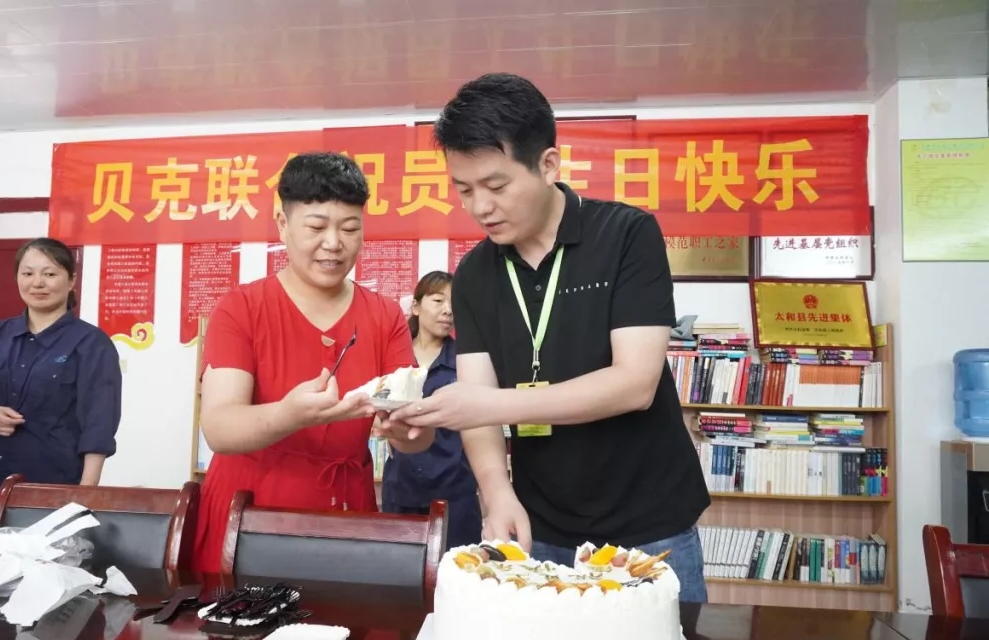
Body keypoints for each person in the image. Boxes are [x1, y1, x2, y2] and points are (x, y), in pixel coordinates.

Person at [387, 73, 711, 602]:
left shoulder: (626, 235)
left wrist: (492, 404)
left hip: (651, 526)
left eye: (496, 186)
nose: (480, 207)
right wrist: (496, 491)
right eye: (464, 190)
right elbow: (478, 406)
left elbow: (635, 384)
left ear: (548, 165)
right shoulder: (475, 275)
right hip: (539, 525)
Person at [192, 152, 435, 573]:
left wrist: (407, 431)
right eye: (317, 227)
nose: (334, 243)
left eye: (350, 228)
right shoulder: (242, 308)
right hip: (248, 518)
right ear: (283, 225)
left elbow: (416, 436)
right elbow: (219, 428)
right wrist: (290, 415)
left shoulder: (384, 315)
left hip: (346, 515)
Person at [0, 237, 122, 531]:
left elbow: (99, 426)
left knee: (46, 559)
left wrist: (85, 494)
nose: (37, 283)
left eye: (49, 273)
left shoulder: (91, 343)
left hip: (54, 487)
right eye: (27, 273)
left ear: (71, 281)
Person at [380, 271, 483, 548]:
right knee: (399, 568)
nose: (448, 311)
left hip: (455, 492)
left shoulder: (467, 360)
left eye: (454, 303)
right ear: (416, 306)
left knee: (457, 568)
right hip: (401, 489)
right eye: (438, 301)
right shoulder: (393, 356)